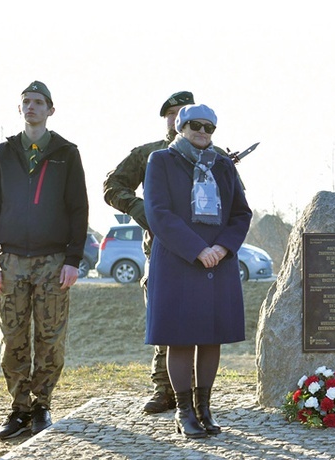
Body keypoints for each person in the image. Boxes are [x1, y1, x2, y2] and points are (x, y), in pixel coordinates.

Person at [0, 81, 89, 440]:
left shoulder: (66, 153)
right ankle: (18, 408)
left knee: (50, 338)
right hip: (10, 260)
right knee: (12, 339)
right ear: (20, 108)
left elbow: (78, 209)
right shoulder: (2, 153)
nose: (32, 106)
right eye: (26, 101)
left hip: (53, 261)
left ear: (50, 110)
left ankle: (42, 405)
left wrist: (73, 259)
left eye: (39, 102)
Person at [144, 104, 252, 438]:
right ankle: (183, 411)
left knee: (210, 338)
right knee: (180, 339)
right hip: (178, 261)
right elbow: (158, 212)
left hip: (217, 263)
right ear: (181, 126)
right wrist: (197, 249)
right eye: (195, 126)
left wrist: (221, 248)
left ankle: (204, 409)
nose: (202, 132)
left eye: (209, 127)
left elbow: (241, 213)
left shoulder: (223, 165)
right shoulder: (161, 161)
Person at [103, 90, 195, 414]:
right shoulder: (148, 154)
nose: (176, 116)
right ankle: (163, 389)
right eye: (171, 112)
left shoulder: (207, 153)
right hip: (160, 250)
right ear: (166, 119)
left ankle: (193, 390)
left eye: (183, 110)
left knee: (196, 319)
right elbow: (112, 185)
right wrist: (141, 210)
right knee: (163, 317)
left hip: (199, 250)